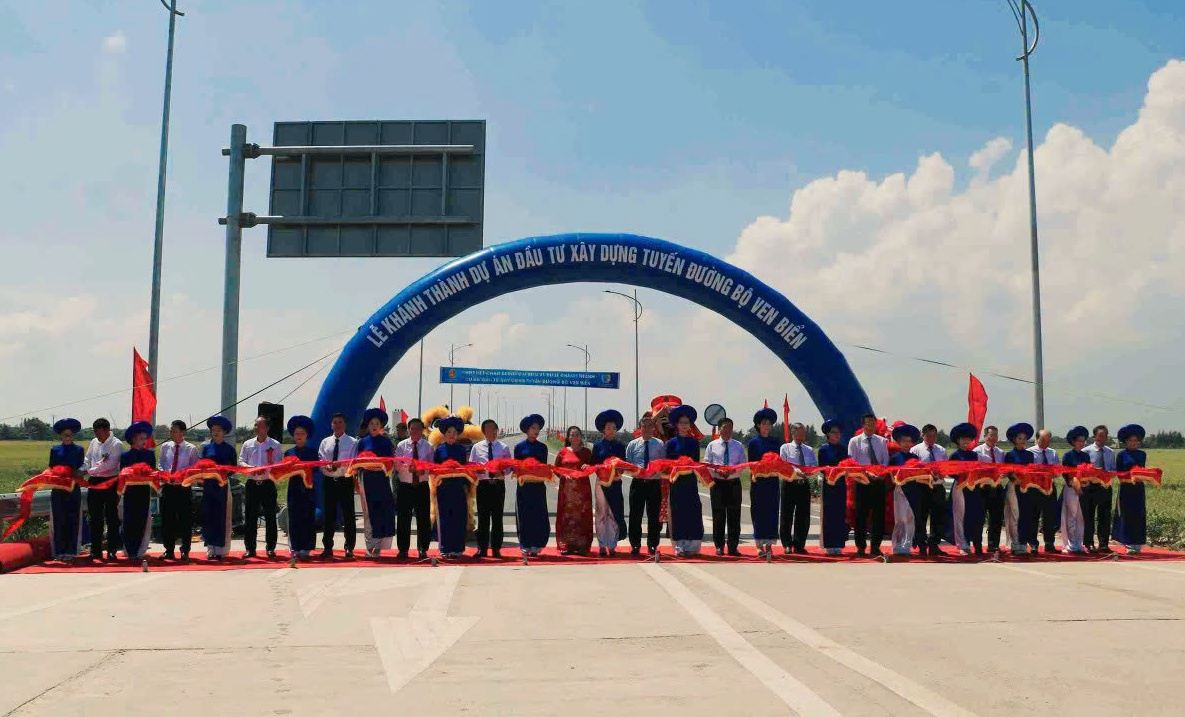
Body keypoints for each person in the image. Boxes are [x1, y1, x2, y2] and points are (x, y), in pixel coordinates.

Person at [239, 416, 282, 560]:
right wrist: (251, 468)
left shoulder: (275, 444)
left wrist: (265, 470)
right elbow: (241, 461)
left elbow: (278, 464)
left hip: (267, 484)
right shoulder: (247, 444)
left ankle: (270, 548)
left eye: (260, 425)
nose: (257, 428)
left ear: (267, 428)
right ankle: (250, 548)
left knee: (270, 517)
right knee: (250, 517)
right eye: (255, 425)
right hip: (252, 484)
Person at [356, 407, 397, 558]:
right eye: (372, 423)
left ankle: (380, 546)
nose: (374, 425)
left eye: (377, 423)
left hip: (381, 480)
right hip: (366, 480)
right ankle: (370, 546)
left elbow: (390, 463)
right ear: (368, 425)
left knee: (383, 511)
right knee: (368, 513)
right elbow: (356, 462)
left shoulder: (386, 442)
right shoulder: (362, 442)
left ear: (381, 426)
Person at [848, 413, 890, 557]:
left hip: (878, 482)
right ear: (863, 425)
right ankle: (860, 547)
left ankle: (875, 546)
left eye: (873, 423)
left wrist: (879, 473)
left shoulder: (882, 441)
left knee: (879, 516)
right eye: (868, 423)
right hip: (862, 482)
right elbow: (852, 462)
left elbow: (885, 461)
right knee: (861, 516)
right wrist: (866, 473)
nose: (871, 426)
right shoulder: (855, 441)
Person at [318, 412, 358, 559]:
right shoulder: (325, 442)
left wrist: (339, 466)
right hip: (329, 482)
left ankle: (349, 548)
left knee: (348, 515)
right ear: (331, 424)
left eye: (340, 422)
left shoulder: (353, 442)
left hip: (344, 481)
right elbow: (321, 459)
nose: (337, 425)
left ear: (345, 424)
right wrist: (326, 467)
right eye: (335, 422)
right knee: (329, 515)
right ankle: (327, 547)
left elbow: (353, 462)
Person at [82, 417, 123, 561]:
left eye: (98, 433)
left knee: (111, 518)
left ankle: (112, 550)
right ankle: (96, 550)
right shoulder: (94, 442)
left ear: (106, 430)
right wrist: (84, 468)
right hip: (94, 482)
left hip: (110, 481)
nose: (97, 436)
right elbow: (87, 459)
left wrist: (88, 471)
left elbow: (109, 465)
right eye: (95, 433)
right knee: (95, 518)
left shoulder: (116, 444)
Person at [664, 405, 703, 556]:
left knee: (693, 510)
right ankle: (678, 545)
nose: (684, 425)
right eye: (682, 422)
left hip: (690, 482)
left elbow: (697, 463)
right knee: (677, 511)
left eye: (687, 423)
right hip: (676, 482)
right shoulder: (671, 443)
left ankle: (692, 545)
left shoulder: (694, 443)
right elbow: (667, 464)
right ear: (676, 425)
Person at [625, 416, 666, 557]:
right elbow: (628, 464)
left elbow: (663, 463)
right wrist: (636, 471)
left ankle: (653, 545)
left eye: (650, 426)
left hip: (654, 483)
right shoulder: (632, 445)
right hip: (638, 483)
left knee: (653, 516)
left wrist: (655, 470)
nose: (647, 429)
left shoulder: (660, 444)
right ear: (640, 428)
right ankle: (635, 544)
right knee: (635, 515)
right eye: (644, 426)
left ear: (653, 428)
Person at [704, 416, 745, 556]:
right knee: (718, 515)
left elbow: (743, 464)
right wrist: (717, 470)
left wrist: (733, 470)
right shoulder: (712, 445)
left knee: (734, 516)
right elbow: (707, 463)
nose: (727, 430)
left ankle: (733, 546)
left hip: (733, 483)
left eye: (730, 428)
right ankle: (719, 546)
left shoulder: (738, 446)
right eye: (725, 427)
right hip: (718, 484)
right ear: (719, 429)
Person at [470, 419, 510, 559]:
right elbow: (471, 466)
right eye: (486, 429)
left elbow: (510, 466)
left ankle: (496, 549)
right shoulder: (477, 447)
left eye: (492, 429)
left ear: (496, 430)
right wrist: (478, 471)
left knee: (497, 518)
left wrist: (503, 472)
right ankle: (482, 548)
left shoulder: (504, 447)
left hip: (498, 485)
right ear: (483, 431)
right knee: (483, 518)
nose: (490, 432)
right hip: (484, 485)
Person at [159, 419, 198, 561]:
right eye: (170, 430)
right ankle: (168, 549)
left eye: (174, 430)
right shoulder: (165, 447)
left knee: (185, 521)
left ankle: (185, 550)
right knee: (167, 520)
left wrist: (182, 477)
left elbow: (194, 469)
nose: (171, 433)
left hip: (183, 488)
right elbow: (161, 464)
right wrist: (165, 474)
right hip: (168, 487)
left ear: (182, 432)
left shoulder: (191, 448)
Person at [433, 416, 471, 559]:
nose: (452, 435)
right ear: (444, 433)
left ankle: (458, 548)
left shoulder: (461, 450)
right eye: (449, 432)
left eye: (454, 432)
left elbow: (466, 468)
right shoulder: (439, 450)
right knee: (444, 518)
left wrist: (467, 486)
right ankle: (445, 548)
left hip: (458, 488)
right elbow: (434, 469)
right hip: (443, 488)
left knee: (458, 518)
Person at [394, 418, 433, 560]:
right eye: (412, 428)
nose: (415, 431)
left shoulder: (428, 446)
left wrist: (423, 470)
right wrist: (408, 468)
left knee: (423, 519)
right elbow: (396, 465)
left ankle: (423, 548)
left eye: (418, 428)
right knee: (404, 519)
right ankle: (403, 549)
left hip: (422, 486)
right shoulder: (401, 446)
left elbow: (431, 465)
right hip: (405, 486)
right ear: (409, 429)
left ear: (422, 430)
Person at [200, 416, 237, 561]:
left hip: (222, 485)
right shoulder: (206, 448)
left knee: (222, 515)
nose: (215, 432)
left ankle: (221, 549)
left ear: (224, 432)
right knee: (209, 516)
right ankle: (211, 549)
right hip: (208, 485)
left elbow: (233, 468)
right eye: (213, 430)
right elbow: (200, 465)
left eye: (218, 430)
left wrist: (223, 472)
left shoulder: (229, 449)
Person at [747, 408, 783, 558]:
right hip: (759, 482)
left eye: (769, 423)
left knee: (772, 512)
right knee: (758, 512)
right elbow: (752, 464)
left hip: (772, 482)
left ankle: (769, 544)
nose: (767, 426)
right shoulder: (753, 443)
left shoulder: (775, 442)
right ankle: (759, 545)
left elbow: (780, 462)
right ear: (758, 425)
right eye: (764, 423)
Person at [591, 410, 627, 556]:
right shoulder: (598, 446)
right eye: (608, 427)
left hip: (616, 483)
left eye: (614, 427)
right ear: (603, 430)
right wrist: (603, 472)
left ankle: (612, 545)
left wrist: (616, 473)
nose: (611, 430)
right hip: (601, 484)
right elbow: (594, 464)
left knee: (613, 513)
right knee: (601, 514)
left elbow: (624, 465)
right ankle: (601, 544)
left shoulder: (620, 446)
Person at [514, 414, 551, 556]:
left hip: (538, 486)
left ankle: (537, 544)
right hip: (524, 486)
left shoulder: (543, 447)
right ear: (527, 430)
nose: (536, 431)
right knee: (524, 514)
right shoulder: (519, 447)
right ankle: (525, 544)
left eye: (538, 428)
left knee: (538, 514)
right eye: (533, 428)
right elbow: (516, 467)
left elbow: (543, 467)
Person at [119, 421, 157, 561]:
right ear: (134, 439)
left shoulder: (149, 455)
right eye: (141, 438)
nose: (144, 441)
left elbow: (153, 473)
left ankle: (139, 549)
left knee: (142, 519)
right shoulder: (125, 456)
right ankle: (130, 549)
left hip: (143, 492)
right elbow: (122, 474)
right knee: (129, 521)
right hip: (129, 492)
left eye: (145, 439)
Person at [48, 418, 84, 561]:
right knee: (59, 519)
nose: (67, 437)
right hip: (58, 488)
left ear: (73, 436)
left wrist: (78, 472)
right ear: (61, 436)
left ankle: (71, 550)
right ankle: (59, 550)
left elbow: (81, 466)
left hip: (73, 488)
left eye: (70, 435)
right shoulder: (55, 450)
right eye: (65, 435)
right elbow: (51, 467)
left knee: (72, 518)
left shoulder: (79, 450)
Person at [284, 415, 319, 561]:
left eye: (302, 434)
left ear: (307, 436)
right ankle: (295, 547)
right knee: (294, 518)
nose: (299, 436)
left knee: (308, 517)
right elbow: (283, 471)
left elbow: (317, 469)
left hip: (308, 488)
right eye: (297, 434)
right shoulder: (288, 453)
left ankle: (307, 547)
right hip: (294, 488)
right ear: (293, 435)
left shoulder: (312, 453)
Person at [555, 425, 594, 555]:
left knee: (582, 517)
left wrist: (588, 467)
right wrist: (562, 474)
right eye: (572, 434)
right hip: (567, 491)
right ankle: (567, 545)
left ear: (581, 437)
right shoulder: (562, 452)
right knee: (567, 517)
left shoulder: (587, 452)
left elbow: (594, 468)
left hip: (582, 491)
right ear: (568, 437)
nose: (575, 437)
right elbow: (556, 469)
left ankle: (583, 546)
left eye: (577, 434)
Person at [910, 424, 948, 555]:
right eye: (928, 436)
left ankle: (934, 544)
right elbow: (912, 470)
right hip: (922, 487)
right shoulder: (915, 450)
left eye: (934, 436)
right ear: (923, 435)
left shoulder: (941, 450)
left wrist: (941, 473)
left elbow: (946, 467)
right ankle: (921, 544)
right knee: (921, 517)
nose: (931, 438)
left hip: (937, 487)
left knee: (938, 517)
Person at [779, 422, 816, 555]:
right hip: (789, 483)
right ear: (793, 433)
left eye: (803, 432)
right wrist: (797, 471)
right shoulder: (785, 448)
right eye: (799, 432)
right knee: (787, 515)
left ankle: (799, 544)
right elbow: (784, 465)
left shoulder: (809, 450)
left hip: (804, 484)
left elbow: (813, 465)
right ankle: (787, 543)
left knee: (803, 516)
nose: (802, 435)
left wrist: (809, 472)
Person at [948, 422, 984, 556]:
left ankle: (976, 543)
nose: (966, 441)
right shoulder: (954, 456)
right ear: (958, 440)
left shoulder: (974, 455)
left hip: (973, 488)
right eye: (963, 439)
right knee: (960, 516)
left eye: (968, 439)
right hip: (959, 488)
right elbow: (950, 472)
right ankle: (962, 544)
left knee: (973, 515)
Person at [889, 423, 925, 556]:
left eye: (909, 441)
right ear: (898, 442)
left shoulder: (914, 458)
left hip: (913, 489)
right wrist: (898, 481)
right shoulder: (894, 458)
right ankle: (897, 544)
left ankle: (907, 544)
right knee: (900, 518)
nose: (906, 443)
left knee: (910, 518)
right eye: (904, 441)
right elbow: (891, 476)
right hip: (899, 490)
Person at [1113, 424, 1148, 554]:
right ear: (1126, 442)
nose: (1133, 443)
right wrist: (1129, 477)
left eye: (1136, 441)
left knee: (1138, 514)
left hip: (1138, 489)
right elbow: (1119, 473)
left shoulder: (1142, 455)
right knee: (1127, 515)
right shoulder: (1121, 455)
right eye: (1130, 441)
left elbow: (1142, 470)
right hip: (1126, 488)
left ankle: (1138, 542)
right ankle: (1127, 542)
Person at [816, 420, 849, 556]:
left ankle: (839, 544)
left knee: (840, 513)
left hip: (841, 485)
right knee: (829, 514)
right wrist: (831, 473)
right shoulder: (823, 449)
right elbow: (822, 468)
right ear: (828, 434)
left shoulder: (843, 449)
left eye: (838, 432)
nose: (837, 435)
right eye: (834, 432)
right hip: (829, 485)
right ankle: (829, 545)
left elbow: (847, 465)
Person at [1082, 425, 1116, 553]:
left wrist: (1108, 475)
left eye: (1105, 435)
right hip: (1090, 487)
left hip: (1105, 487)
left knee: (1105, 516)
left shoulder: (1110, 452)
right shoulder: (1086, 451)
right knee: (1089, 516)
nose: (1102, 438)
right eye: (1100, 435)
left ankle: (1103, 544)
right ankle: (1089, 543)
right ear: (1094, 436)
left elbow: (1113, 469)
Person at [1003, 423, 1035, 556]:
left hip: (1026, 487)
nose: (1022, 441)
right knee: (1015, 515)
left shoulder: (1029, 455)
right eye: (1020, 438)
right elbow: (1008, 472)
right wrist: (1016, 479)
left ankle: (1023, 542)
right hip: (1014, 486)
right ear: (1014, 440)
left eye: (1024, 438)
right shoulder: (1009, 455)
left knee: (1025, 515)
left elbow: (1031, 470)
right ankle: (1015, 543)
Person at [1059, 426, 1090, 554]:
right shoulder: (1067, 456)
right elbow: (1065, 473)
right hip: (1071, 488)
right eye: (1079, 441)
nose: (1081, 443)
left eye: (1083, 441)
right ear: (1073, 441)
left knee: (1080, 517)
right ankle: (1070, 543)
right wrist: (1074, 483)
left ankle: (1079, 542)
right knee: (1070, 516)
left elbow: (1088, 471)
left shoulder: (1086, 456)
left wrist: (1084, 483)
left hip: (1083, 488)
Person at [1029, 429, 1060, 553]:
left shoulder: (1053, 453)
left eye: (1048, 440)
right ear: (1037, 439)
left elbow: (1058, 472)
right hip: (1035, 488)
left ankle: (1049, 543)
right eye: (1043, 440)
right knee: (1034, 517)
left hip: (1049, 487)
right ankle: (1033, 543)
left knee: (1050, 517)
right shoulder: (1029, 452)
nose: (1045, 443)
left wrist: (1053, 472)